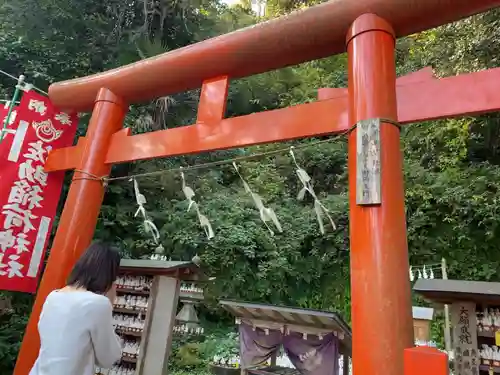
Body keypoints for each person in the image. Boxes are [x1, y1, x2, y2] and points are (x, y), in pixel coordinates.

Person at [29, 241, 123, 375]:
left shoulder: (53, 296)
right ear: (109, 275)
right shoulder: (98, 304)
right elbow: (108, 358)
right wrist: (110, 302)